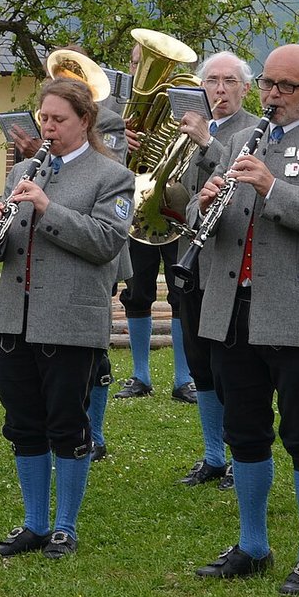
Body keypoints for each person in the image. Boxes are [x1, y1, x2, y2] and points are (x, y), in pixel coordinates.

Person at [191, 44, 299, 597]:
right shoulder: (238, 140)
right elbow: (204, 214)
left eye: (287, 86)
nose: (274, 95)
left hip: (297, 308)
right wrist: (205, 203)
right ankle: (253, 544)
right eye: (268, 83)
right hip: (232, 306)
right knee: (244, 432)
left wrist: (272, 188)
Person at [0, 78, 133, 559]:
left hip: (71, 318)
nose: (47, 128)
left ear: (84, 121)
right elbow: (12, 247)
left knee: (68, 422)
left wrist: (47, 208)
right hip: (16, 315)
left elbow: (106, 243)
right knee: (22, 421)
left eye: (58, 120)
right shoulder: (23, 170)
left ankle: (65, 526)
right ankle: (34, 523)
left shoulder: (112, 176)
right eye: (43, 118)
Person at [173, 51, 257, 489]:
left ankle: (241, 454)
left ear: (246, 89)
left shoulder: (255, 130)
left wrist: (208, 142)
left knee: (231, 368)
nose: (219, 89)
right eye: (211, 81)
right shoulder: (186, 131)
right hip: (191, 256)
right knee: (199, 361)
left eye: (229, 81)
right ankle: (212, 455)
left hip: (230, 264)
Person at [114, 42, 195, 405]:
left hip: (173, 203)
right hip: (136, 205)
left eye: (142, 63)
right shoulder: (116, 112)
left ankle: (184, 378)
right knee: (137, 291)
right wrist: (121, 142)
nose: (138, 70)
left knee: (181, 292)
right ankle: (140, 375)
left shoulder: (183, 101)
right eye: (135, 63)